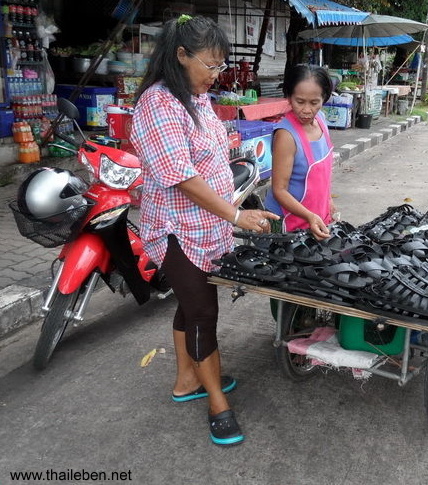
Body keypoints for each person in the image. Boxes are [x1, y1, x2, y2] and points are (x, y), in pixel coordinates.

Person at [130, 14, 279, 447]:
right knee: (202, 313)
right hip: (177, 229)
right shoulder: (159, 104)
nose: (215, 75)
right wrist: (235, 217)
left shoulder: (196, 100)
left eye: (219, 67)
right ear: (181, 55)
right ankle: (217, 403)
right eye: (209, 66)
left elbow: (213, 154)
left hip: (206, 224)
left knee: (189, 306)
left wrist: (239, 194)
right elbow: (180, 176)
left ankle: (185, 381)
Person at [264, 64, 337, 239]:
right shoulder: (286, 136)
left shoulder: (321, 120)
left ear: (324, 98)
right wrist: (309, 216)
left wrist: (328, 200)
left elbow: (323, 175)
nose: (306, 110)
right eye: (299, 101)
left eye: (314, 103)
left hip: (315, 214)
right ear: (289, 97)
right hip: (287, 219)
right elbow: (279, 190)